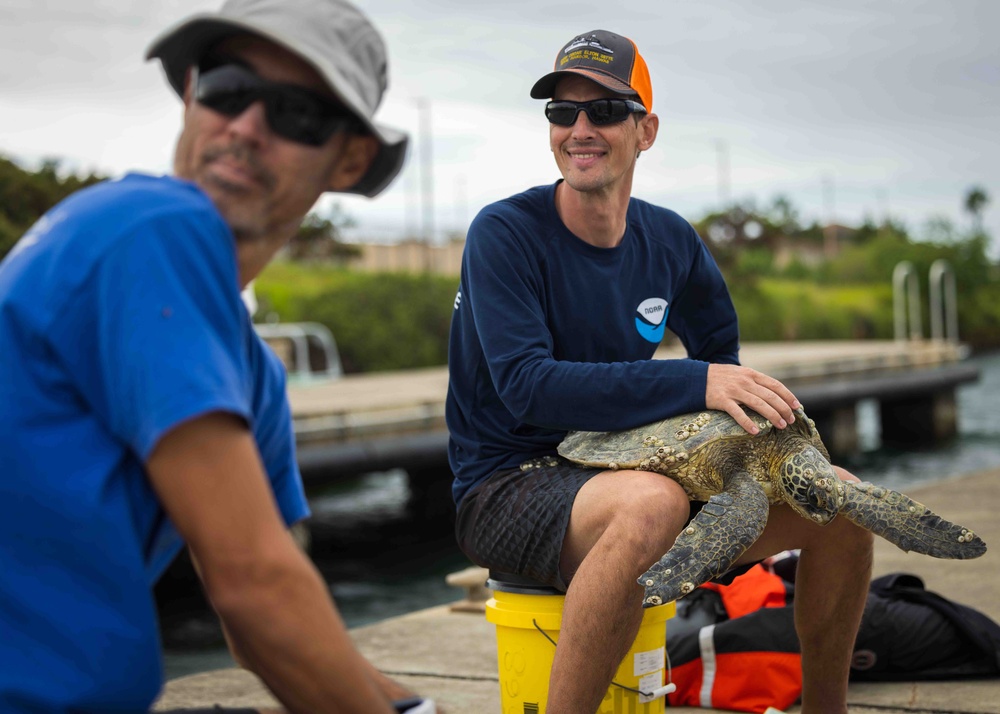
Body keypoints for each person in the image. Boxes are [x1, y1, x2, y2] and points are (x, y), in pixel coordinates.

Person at [0, 0, 437, 712]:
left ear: (350, 156)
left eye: (296, 114)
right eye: (227, 89)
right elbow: (255, 587)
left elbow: (270, 618)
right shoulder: (152, 228)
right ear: (190, 94)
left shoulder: (249, 376)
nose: (244, 128)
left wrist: (407, 707)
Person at [445, 29, 874, 714]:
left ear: (644, 130)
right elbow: (528, 388)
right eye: (562, 112)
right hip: (506, 486)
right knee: (654, 504)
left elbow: (720, 356)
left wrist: (738, 446)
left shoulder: (669, 240)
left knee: (843, 502)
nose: (580, 129)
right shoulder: (504, 233)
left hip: (621, 468)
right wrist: (695, 381)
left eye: (605, 111)